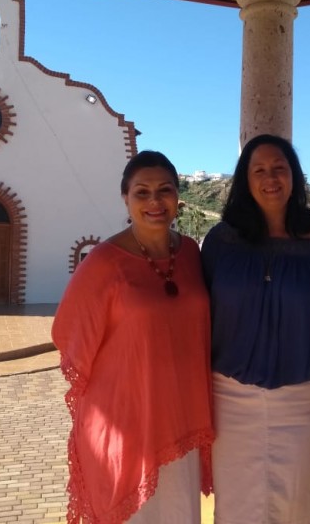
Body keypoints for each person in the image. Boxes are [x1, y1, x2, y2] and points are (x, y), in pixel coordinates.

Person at [51, 150, 214, 524]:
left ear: (178, 195)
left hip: (181, 421)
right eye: (142, 192)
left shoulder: (189, 252)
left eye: (165, 190)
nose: (155, 201)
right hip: (128, 425)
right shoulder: (104, 262)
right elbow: (68, 334)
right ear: (125, 197)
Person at [201, 134, 310, 524]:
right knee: (238, 507)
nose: (270, 177)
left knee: (300, 505)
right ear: (245, 179)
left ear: (294, 177)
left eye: (279, 168)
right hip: (229, 398)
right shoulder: (222, 241)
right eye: (259, 169)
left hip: (303, 401)